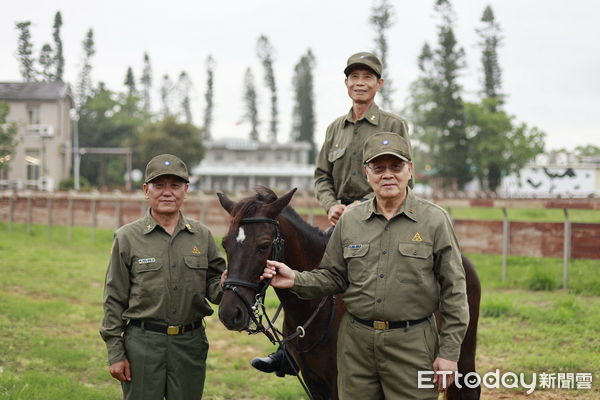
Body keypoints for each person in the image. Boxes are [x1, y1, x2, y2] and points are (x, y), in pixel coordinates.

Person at [261, 132, 469, 399]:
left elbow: (454, 289)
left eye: (396, 166)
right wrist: (295, 279)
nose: (387, 175)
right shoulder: (350, 222)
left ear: (410, 170)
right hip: (356, 346)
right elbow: (334, 277)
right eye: (378, 168)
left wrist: (449, 354)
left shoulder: (434, 220)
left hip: (412, 343)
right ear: (366, 173)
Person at [251, 50, 413, 376]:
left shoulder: (392, 124)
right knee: (305, 265)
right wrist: (332, 206)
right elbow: (321, 176)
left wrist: (363, 205)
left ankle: (400, 342)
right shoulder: (335, 129)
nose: (360, 83)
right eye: (354, 77)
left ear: (379, 83)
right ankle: (290, 348)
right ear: (346, 83)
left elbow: (400, 173)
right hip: (340, 221)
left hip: (381, 216)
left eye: (367, 77)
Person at [100, 154, 226, 400]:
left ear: (186, 190)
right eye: (159, 185)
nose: (167, 192)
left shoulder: (202, 236)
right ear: (146, 190)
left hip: (189, 345)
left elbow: (215, 288)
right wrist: (116, 353)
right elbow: (114, 298)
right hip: (143, 346)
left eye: (175, 186)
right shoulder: (127, 238)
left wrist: (227, 284)